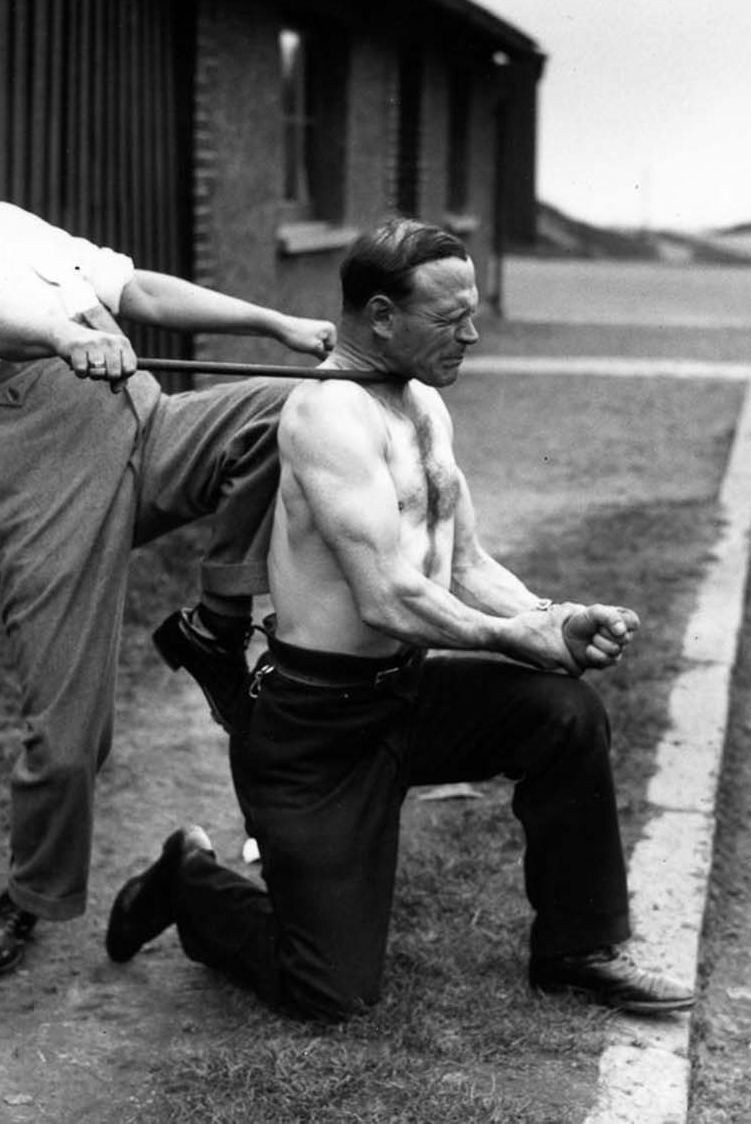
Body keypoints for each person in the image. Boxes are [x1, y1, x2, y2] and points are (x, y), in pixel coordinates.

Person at [0, 57, 336, 981]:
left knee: (292, 413)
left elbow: (137, 291)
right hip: (36, 473)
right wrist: (61, 332)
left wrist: (274, 323)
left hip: (143, 421)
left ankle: (217, 623)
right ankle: (32, 893)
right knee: (69, 734)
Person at [105, 218, 696, 1021]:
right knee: (331, 991)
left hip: (405, 693)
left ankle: (577, 949)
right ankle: (188, 878)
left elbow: (465, 565)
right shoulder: (326, 418)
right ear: (381, 316)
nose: (475, 335)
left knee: (565, 714)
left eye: (473, 313)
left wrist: (551, 616)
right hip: (315, 728)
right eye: (452, 321)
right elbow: (387, 594)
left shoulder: (420, 403)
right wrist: (507, 637)